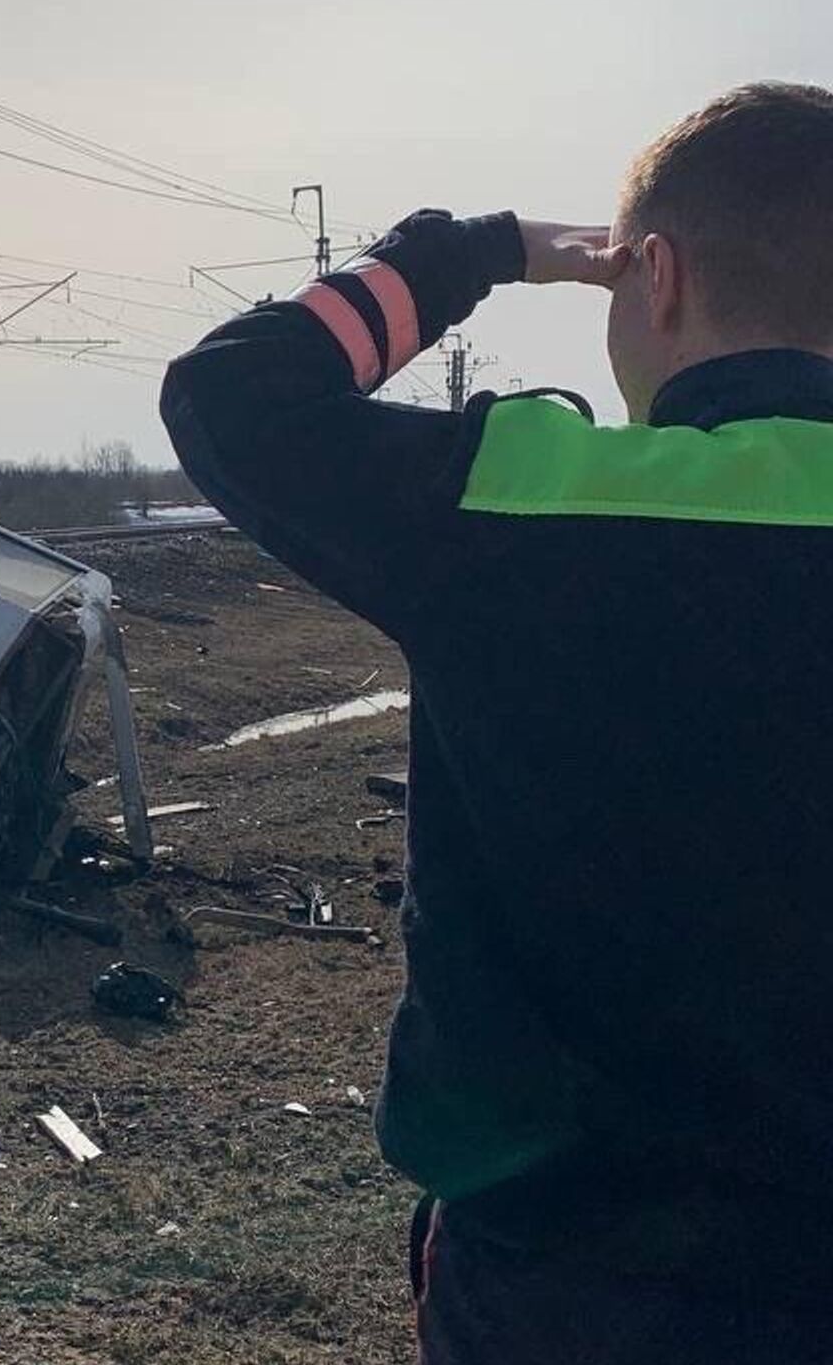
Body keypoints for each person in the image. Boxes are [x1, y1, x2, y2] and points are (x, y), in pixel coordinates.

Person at [159, 81, 833, 1363]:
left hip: (570, 1273)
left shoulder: (521, 497)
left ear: (658, 278)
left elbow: (231, 392)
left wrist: (478, 252)